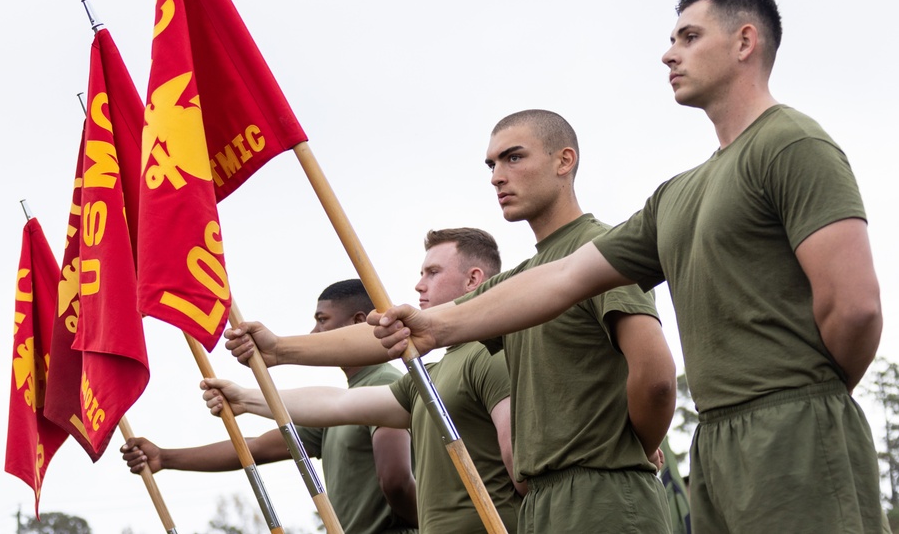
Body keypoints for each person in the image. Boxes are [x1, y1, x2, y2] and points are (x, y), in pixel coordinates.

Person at [371, 0, 888, 534]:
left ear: (745, 42)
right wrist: (436, 325)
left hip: (796, 428)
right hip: (715, 443)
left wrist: (805, 404)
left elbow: (854, 309)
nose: (669, 53)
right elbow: (563, 278)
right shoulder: (675, 196)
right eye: (671, 39)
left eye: (690, 36)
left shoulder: (792, 142)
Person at [223, 110, 677, 534]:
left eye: (514, 157)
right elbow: (411, 330)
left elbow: (656, 380)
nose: (498, 175)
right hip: (546, 504)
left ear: (564, 160)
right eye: (491, 164)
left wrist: (624, 452)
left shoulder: (601, 251)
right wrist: (280, 349)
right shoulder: (523, 280)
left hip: (604, 499)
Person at [205, 228, 524, 533]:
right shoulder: (428, 375)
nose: (419, 285)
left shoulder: (493, 356)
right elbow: (340, 404)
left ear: (473, 279)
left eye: (433, 272)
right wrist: (246, 397)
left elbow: (520, 469)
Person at [121, 279, 418, 534]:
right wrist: (164, 457)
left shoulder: (383, 384)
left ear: (357, 321)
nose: (314, 332)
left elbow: (395, 481)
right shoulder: (340, 405)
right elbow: (258, 449)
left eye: (322, 319)